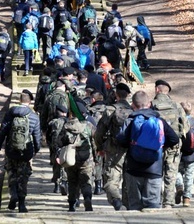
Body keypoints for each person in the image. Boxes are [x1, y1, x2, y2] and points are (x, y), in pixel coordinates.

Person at [115, 90, 179, 210]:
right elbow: (174, 139)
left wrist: (132, 145)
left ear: (133, 105)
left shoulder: (130, 121)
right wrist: (159, 146)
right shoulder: (159, 121)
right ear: (149, 104)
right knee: (153, 206)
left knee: (134, 206)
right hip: (154, 169)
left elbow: (120, 140)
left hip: (133, 168)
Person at [0, 90, 41, 213]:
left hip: (11, 149)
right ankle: (22, 204)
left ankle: (13, 193)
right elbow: (36, 136)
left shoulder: (11, 113)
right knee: (23, 176)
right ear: (29, 102)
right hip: (26, 151)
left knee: (11, 173)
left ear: (20, 100)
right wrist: (36, 149)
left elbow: (2, 131)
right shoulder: (34, 116)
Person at [94, 82, 133, 210]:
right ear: (127, 95)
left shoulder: (110, 110)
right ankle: (128, 205)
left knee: (111, 178)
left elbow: (99, 132)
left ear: (116, 95)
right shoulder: (134, 110)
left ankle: (116, 201)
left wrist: (99, 147)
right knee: (128, 178)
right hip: (132, 150)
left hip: (113, 149)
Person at [152, 79, 190, 208]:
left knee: (156, 173)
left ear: (157, 90)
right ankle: (168, 202)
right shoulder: (176, 106)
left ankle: (155, 200)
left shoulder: (151, 105)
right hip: (173, 146)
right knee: (171, 174)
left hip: (155, 146)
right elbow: (186, 126)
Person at [56, 104, 97, 211]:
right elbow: (95, 143)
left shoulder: (66, 126)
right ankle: (87, 198)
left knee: (72, 182)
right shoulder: (88, 126)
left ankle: (72, 204)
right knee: (86, 181)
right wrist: (96, 159)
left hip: (71, 159)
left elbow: (59, 142)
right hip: (86, 159)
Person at [176, 101, 194, 207]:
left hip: (179, 154)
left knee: (177, 172)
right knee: (189, 175)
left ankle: (179, 186)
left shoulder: (178, 122)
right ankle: (187, 199)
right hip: (192, 155)